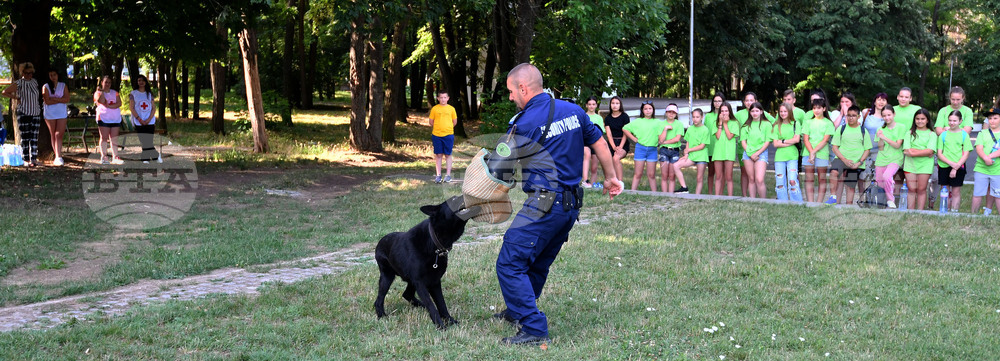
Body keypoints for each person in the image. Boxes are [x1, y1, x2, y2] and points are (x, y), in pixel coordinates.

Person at [493, 63, 622, 346]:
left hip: (544, 204)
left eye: (512, 92)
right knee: (537, 261)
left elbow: (499, 169)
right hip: (571, 206)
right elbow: (599, 143)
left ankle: (533, 327)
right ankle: (518, 310)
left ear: (523, 88)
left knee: (509, 263)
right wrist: (611, 177)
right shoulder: (574, 111)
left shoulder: (522, 123)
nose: (511, 97)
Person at [828, 106, 872, 205]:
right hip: (840, 158)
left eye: (853, 116)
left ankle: (848, 206)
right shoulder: (841, 128)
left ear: (858, 117)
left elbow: (867, 149)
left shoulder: (863, 131)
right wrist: (844, 160)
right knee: (834, 173)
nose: (851, 118)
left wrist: (859, 162)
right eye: (849, 115)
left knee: (850, 186)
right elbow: (834, 147)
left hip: (855, 162)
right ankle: (833, 196)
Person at [2, 62, 42, 167]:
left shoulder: (35, 82)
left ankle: (34, 158)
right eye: (26, 73)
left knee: (34, 136)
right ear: (22, 73)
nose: (29, 75)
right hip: (24, 111)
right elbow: (4, 92)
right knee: (25, 136)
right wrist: (16, 98)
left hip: (36, 111)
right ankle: (26, 159)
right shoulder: (19, 83)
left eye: (31, 73)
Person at [734, 92, 774, 196]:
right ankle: (752, 200)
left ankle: (762, 201)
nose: (755, 113)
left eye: (757, 111)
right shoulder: (746, 126)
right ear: (750, 113)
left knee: (759, 179)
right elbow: (743, 141)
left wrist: (757, 153)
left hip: (761, 153)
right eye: (752, 111)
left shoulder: (766, 124)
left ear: (761, 112)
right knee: (751, 179)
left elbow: (767, 141)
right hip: (748, 154)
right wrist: (750, 153)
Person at [936, 110, 973, 212]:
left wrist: (956, 167)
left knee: (956, 191)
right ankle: (945, 210)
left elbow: (966, 153)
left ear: (960, 121)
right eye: (950, 120)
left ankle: (954, 211)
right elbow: (939, 153)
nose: (952, 123)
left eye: (955, 121)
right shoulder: (943, 135)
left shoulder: (964, 135)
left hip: (959, 166)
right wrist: (951, 164)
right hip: (944, 166)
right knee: (945, 191)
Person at [623, 101, 663, 192]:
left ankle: (654, 193)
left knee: (651, 174)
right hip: (640, 149)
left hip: (652, 150)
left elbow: (663, 131)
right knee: (638, 173)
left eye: (650, 108)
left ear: (653, 110)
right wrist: (633, 138)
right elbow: (625, 128)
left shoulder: (658, 122)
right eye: (645, 109)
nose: (648, 111)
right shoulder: (638, 121)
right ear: (642, 110)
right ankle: (633, 192)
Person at [902, 109, 937, 210]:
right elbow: (906, 151)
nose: (920, 121)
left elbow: (930, 151)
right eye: (917, 119)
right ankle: (910, 211)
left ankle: (920, 211)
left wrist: (913, 152)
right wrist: (924, 151)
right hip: (910, 165)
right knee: (911, 189)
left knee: (921, 189)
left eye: (922, 119)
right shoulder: (909, 133)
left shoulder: (932, 134)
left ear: (927, 120)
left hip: (925, 165)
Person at [802, 98, 834, 202]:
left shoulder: (828, 123)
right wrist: (811, 152)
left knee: (822, 178)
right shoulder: (808, 122)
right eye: (814, 108)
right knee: (809, 178)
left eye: (819, 108)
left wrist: (813, 152)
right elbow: (806, 139)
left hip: (822, 153)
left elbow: (825, 140)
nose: (816, 110)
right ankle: (810, 202)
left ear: (824, 109)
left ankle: (819, 202)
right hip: (808, 153)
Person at [874, 105, 905, 209]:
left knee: (887, 177)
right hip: (881, 159)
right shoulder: (880, 129)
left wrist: (884, 137)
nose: (887, 118)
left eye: (889, 115)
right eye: (884, 116)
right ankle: (882, 202)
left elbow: (897, 145)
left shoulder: (901, 127)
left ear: (894, 114)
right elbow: (881, 148)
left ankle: (891, 200)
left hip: (895, 158)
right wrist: (881, 138)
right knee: (880, 183)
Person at [771, 102, 803, 201]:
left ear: (789, 112)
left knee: (792, 180)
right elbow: (775, 144)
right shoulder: (776, 126)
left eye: (785, 111)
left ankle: (797, 202)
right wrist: (790, 141)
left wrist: (783, 141)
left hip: (792, 156)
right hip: (780, 157)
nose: (783, 113)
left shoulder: (795, 124)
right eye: (781, 111)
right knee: (780, 181)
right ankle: (783, 202)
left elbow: (797, 140)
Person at [673, 108, 709, 194]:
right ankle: (684, 187)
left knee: (699, 178)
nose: (695, 119)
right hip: (691, 156)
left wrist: (689, 150)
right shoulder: (690, 129)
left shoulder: (705, 130)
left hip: (701, 156)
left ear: (702, 117)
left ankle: (697, 196)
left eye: (697, 117)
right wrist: (686, 154)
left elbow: (702, 146)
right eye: (693, 117)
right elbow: (688, 142)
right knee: (676, 165)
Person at [972, 109, 1000, 214]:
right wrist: (985, 158)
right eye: (990, 118)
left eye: (995, 118)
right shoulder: (983, 133)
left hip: (997, 170)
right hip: (981, 168)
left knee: (998, 195)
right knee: (977, 193)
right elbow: (979, 148)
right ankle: (973, 215)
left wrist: (989, 157)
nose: (992, 121)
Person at [129, 74, 161, 164]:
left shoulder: (149, 94)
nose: (141, 82)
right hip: (138, 121)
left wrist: (148, 119)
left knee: (149, 140)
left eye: (143, 80)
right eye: (139, 80)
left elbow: (153, 108)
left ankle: (145, 158)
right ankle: (155, 156)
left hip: (149, 121)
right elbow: (132, 108)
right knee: (143, 140)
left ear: (146, 82)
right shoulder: (133, 93)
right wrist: (139, 119)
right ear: (137, 82)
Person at [42, 69, 70, 166]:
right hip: (50, 113)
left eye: (54, 74)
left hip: (61, 113)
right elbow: (47, 101)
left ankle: (59, 156)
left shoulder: (63, 85)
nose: (52, 77)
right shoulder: (45, 87)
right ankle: (57, 156)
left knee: (59, 134)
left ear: (58, 75)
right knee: (53, 134)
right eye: (50, 75)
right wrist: (59, 100)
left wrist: (54, 99)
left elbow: (66, 99)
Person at [94, 75, 124, 164]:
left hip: (114, 118)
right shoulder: (98, 93)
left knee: (114, 138)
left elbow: (119, 103)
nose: (107, 84)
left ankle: (115, 156)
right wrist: (102, 92)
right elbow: (101, 101)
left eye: (109, 82)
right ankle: (104, 156)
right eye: (105, 82)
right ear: (102, 82)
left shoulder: (115, 93)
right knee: (104, 138)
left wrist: (110, 106)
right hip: (103, 117)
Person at [429, 91, 458, 183]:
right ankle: (438, 175)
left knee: (448, 154)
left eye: (445, 97)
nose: (443, 99)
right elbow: (431, 121)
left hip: (448, 135)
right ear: (438, 98)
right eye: (441, 97)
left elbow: (454, 122)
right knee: (438, 155)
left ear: (448, 98)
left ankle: (448, 175)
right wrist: (439, 128)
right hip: (437, 135)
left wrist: (447, 128)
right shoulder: (434, 109)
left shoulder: (451, 109)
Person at [711, 102, 739, 196]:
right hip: (718, 151)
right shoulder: (715, 123)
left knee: (729, 176)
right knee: (718, 176)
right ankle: (717, 196)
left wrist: (725, 124)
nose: (724, 113)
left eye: (726, 111)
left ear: (730, 111)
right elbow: (718, 136)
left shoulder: (734, 122)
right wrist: (720, 122)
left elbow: (730, 136)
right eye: (722, 111)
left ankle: (730, 197)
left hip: (729, 152)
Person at [604, 96, 630, 185]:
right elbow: (609, 135)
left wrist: (620, 147)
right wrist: (614, 147)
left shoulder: (625, 117)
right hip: (611, 143)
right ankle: (611, 181)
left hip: (623, 142)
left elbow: (625, 133)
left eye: (617, 103)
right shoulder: (607, 118)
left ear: (620, 105)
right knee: (608, 161)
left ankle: (620, 182)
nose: (615, 105)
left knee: (615, 158)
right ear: (610, 105)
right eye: (613, 103)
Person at [658, 103, 684, 193]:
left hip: (674, 151)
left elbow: (677, 139)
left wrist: (664, 142)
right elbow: (660, 139)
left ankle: (670, 194)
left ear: (676, 114)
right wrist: (665, 129)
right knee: (664, 175)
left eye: (673, 112)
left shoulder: (679, 124)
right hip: (664, 151)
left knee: (672, 176)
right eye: (669, 112)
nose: (671, 114)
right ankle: (664, 194)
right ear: (666, 113)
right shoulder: (661, 124)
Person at [581, 96, 605, 189]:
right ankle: (585, 180)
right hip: (585, 142)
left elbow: (601, 132)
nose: (591, 106)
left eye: (593, 104)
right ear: (586, 105)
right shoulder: (583, 116)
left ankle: (592, 184)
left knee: (594, 167)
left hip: (595, 143)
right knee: (587, 154)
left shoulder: (599, 118)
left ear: (596, 105)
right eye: (589, 104)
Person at [704, 93, 725, 194]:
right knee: (711, 172)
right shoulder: (708, 116)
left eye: (719, 101)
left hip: (721, 147)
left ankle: (720, 193)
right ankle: (710, 193)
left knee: (721, 173)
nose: (717, 103)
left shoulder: (726, 115)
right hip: (710, 147)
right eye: (715, 101)